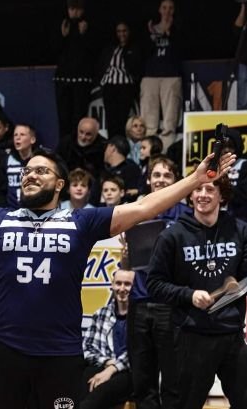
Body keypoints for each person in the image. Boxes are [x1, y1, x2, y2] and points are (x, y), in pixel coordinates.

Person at [0, 148, 236, 409]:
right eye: (27, 171)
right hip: (4, 353)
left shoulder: (81, 221)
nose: (30, 175)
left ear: (60, 184)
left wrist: (193, 178)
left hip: (59, 355)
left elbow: (143, 206)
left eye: (40, 171)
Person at [147, 175, 247, 409]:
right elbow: (154, 284)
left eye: (210, 189)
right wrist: (188, 295)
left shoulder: (240, 231)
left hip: (231, 334)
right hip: (190, 336)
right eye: (197, 189)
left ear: (221, 195)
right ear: (190, 195)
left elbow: (244, 279)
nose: (202, 194)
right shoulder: (172, 236)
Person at [126, 155, 192, 409]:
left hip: (170, 306)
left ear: (176, 180)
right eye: (157, 175)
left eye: (167, 175)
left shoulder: (187, 215)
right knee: (143, 381)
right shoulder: (135, 210)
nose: (161, 180)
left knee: (174, 382)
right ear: (148, 179)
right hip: (139, 303)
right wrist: (125, 252)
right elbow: (127, 266)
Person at [80, 269, 135, 409]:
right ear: (112, 285)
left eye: (127, 284)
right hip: (103, 365)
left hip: (129, 372)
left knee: (95, 399)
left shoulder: (141, 316)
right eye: (118, 283)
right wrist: (108, 364)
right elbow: (87, 348)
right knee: (77, 388)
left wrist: (113, 369)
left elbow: (139, 354)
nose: (122, 288)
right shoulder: (101, 314)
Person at [140, 0, 182, 152]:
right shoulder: (150, 28)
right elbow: (143, 53)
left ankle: (166, 152)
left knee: (170, 120)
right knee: (149, 120)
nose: (167, 11)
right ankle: (148, 151)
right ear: (159, 10)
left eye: (171, 7)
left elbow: (182, 51)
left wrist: (169, 32)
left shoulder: (178, 29)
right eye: (164, 7)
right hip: (150, 76)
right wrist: (156, 34)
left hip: (171, 76)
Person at [52, 0, 96, 137]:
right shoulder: (64, 25)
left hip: (81, 78)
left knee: (78, 117)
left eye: (77, 9)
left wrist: (84, 35)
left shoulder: (88, 25)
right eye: (72, 9)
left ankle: (78, 145)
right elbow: (55, 51)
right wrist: (62, 36)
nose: (75, 13)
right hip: (63, 77)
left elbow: (91, 52)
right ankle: (64, 148)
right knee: (64, 116)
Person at [95, 21, 142, 139]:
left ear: (129, 32)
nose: (122, 34)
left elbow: (136, 67)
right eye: (119, 31)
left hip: (125, 86)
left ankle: (121, 144)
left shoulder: (134, 48)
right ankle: (112, 143)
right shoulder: (110, 48)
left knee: (122, 119)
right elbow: (101, 65)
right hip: (109, 85)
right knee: (111, 119)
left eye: (124, 31)